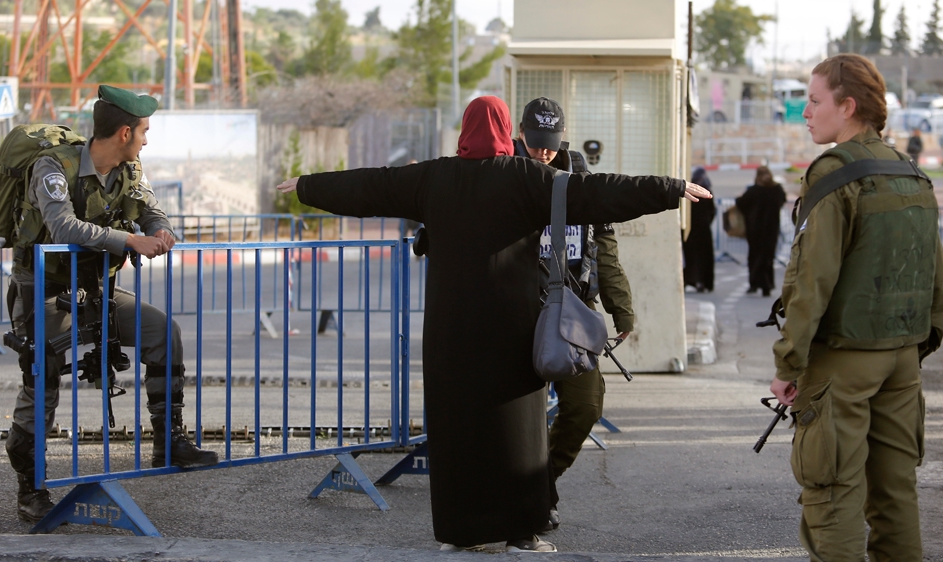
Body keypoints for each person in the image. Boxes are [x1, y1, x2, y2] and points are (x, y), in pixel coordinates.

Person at [277, 96, 710, 553]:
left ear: (465, 130)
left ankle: (459, 534)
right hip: (511, 329)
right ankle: (522, 533)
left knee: (458, 434)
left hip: (451, 333)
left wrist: (307, 186)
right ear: (508, 131)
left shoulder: (431, 176)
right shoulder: (526, 178)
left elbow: (369, 187)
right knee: (517, 437)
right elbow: (599, 190)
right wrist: (669, 188)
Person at [5, 85, 219, 523]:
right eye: (143, 131)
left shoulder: (129, 170)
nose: (146, 139)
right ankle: (32, 485)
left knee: (163, 332)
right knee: (42, 372)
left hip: (95, 288)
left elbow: (151, 211)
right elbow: (62, 225)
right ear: (124, 132)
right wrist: (129, 239)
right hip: (42, 289)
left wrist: (160, 232)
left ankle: (169, 441)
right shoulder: (53, 166)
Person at [769, 54, 943, 561]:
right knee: (896, 501)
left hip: (842, 364)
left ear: (847, 106)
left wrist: (789, 363)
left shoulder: (833, 174)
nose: (804, 112)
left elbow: (811, 281)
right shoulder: (909, 172)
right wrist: (916, 346)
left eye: (814, 100)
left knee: (832, 498)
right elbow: (938, 282)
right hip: (901, 359)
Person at [512, 97, 634, 532]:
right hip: (517, 315)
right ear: (520, 132)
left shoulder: (580, 182)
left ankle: (542, 482)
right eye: (535, 142)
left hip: (571, 316)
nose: (542, 152)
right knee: (509, 420)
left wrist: (623, 310)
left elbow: (606, 251)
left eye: (550, 144)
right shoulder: (504, 175)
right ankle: (518, 501)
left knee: (585, 406)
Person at [735, 166, 786, 297]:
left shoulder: (753, 191)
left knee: (754, 256)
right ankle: (767, 286)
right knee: (768, 258)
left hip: (755, 230)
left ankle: (754, 284)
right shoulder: (777, 190)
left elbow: (741, 204)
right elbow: (782, 201)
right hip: (771, 229)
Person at [682, 167, 716, 293]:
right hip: (704, 230)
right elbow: (713, 211)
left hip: (689, 230)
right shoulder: (707, 191)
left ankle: (690, 279)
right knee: (705, 258)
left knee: (690, 257)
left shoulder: (689, 191)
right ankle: (705, 282)